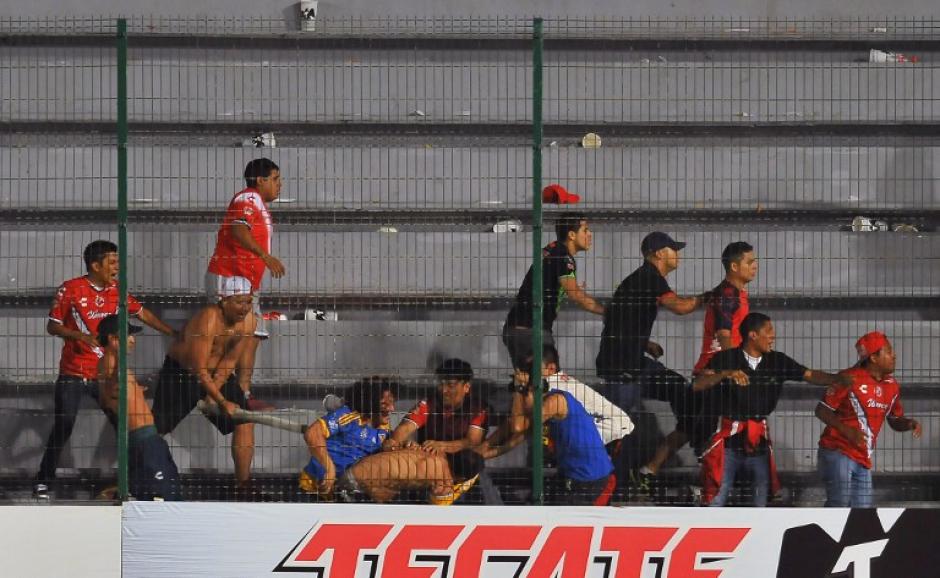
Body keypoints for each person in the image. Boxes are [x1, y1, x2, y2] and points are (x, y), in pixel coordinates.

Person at [34, 240, 176, 499]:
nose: (117, 267)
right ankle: (43, 480)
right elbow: (52, 326)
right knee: (64, 424)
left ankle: (134, 481)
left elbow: (142, 313)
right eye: (112, 262)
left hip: (105, 375)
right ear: (95, 265)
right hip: (74, 373)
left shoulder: (117, 290)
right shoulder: (71, 289)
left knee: (125, 425)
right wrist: (78, 336)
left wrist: (171, 332)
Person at [696, 313, 850, 507]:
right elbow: (698, 384)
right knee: (717, 496)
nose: (773, 336)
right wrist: (726, 374)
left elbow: (809, 375)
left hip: (758, 444)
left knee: (759, 502)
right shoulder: (725, 359)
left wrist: (836, 379)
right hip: (728, 444)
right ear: (753, 335)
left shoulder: (777, 361)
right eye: (768, 331)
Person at [595, 232, 706, 493]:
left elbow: (617, 317)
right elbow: (679, 307)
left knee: (681, 389)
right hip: (623, 369)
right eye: (673, 249)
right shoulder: (649, 278)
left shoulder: (640, 280)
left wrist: (644, 343)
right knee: (618, 430)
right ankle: (609, 488)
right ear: (658, 253)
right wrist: (708, 297)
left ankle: (689, 437)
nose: (677, 254)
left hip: (634, 361)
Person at [639, 241, 759, 482]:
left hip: (711, 372)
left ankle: (648, 472)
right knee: (711, 434)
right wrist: (733, 366)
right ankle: (709, 486)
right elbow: (723, 333)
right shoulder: (728, 295)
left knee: (689, 429)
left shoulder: (731, 293)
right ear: (734, 266)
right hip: (714, 375)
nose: (755, 266)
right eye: (750, 262)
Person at [150, 276, 258, 490]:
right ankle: (127, 481)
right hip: (182, 373)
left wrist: (213, 392)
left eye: (248, 302)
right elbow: (197, 368)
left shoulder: (250, 321)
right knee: (155, 430)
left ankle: (243, 485)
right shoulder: (208, 319)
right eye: (238, 302)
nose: (244, 308)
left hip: (217, 373)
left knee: (244, 422)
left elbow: (229, 361)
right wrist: (221, 401)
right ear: (223, 300)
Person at [490, 345, 615, 505]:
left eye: (532, 368)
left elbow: (518, 426)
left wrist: (518, 389)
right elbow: (516, 432)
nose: (528, 373)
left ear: (551, 369)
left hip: (591, 479)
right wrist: (484, 452)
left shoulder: (555, 399)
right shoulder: (545, 396)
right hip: (572, 474)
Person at [206, 158, 285, 411]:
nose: (279, 185)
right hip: (231, 277)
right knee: (228, 338)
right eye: (275, 179)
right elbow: (239, 229)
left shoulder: (257, 203)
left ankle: (241, 393)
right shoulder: (248, 199)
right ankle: (211, 392)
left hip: (247, 282)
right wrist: (264, 255)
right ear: (260, 180)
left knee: (251, 336)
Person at [816, 331, 922, 507]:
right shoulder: (849, 378)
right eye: (888, 351)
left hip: (863, 457)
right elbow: (821, 410)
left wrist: (909, 423)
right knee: (839, 506)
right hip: (837, 450)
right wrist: (847, 430)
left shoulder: (892, 385)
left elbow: (894, 418)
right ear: (873, 357)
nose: (894, 355)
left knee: (863, 512)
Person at [96, 314, 181, 501]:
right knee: (166, 498)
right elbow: (111, 391)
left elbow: (110, 396)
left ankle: (120, 493)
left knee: (159, 494)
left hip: (145, 440)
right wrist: (121, 388)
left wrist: (133, 391)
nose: (133, 340)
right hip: (145, 442)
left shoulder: (112, 366)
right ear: (113, 338)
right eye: (128, 335)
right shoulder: (111, 365)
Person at [502, 213, 604, 369]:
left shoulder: (553, 248)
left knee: (527, 383)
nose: (590, 234)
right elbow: (575, 294)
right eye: (585, 230)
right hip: (531, 332)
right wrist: (607, 311)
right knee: (549, 380)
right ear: (571, 234)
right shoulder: (563, 257)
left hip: (518, 329)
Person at [382, 359, 490, 503]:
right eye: (441, 383)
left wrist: (442, 446)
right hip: (427, 472)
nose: (443, 390)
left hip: (463, 476)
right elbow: (403, 430)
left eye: (450, 385)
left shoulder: (478, 408)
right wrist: (399, 443)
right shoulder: (428, 404)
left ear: (466, 387)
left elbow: (472, 442)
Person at [299, 376, 398, 497]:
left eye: (392, 402)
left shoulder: (383, 425)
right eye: (384, 404)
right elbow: (312, 433)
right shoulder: (349, 416)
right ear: (369, 402)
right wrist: (329, 468)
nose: (392, 408)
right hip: (315, 489)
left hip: (348, 490)